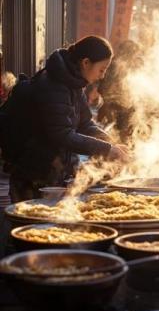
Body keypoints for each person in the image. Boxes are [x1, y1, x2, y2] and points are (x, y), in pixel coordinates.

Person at [8, 36, 128, 202]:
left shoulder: (74, 83)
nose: (102, 76)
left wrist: (112, 145)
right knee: (35, 223)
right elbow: (62, 134)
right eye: (101, 69)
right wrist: (107, 149)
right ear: (85, 62)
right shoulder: (54, 85)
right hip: (35, 174)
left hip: (55, 171)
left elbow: (85, 124)